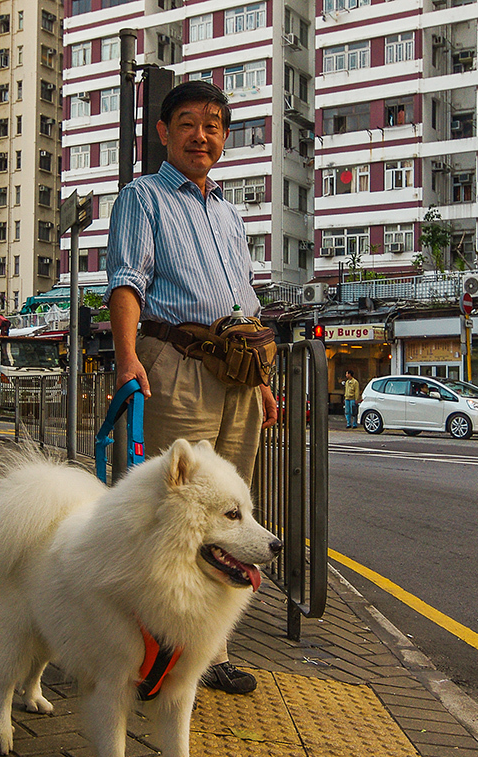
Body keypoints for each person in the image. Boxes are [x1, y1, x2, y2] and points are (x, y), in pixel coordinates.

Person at [105, 80, 278, 695]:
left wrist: (258, 379)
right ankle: (141, 647)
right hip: (173, 363)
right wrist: (128, 356)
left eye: (213, 125)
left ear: (225, 137)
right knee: (168, 512)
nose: (201, 135)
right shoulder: (142, 197)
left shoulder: (229, 212)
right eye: (187, 124)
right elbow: (127, 280)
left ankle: (207, 650)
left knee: (225, 517)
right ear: (163, 132)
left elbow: (242, 298)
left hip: (236, 373)